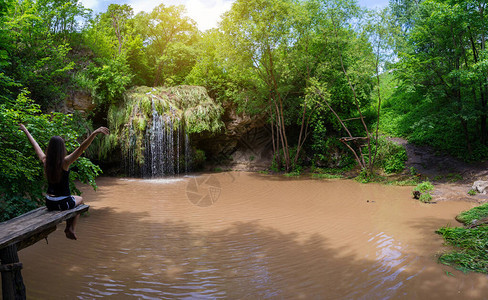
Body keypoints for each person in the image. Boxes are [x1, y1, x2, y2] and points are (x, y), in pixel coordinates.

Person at [20, 124, 109, 240]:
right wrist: (94, 133)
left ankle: (69, 227)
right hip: (62, 203)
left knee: (73, 198)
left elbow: (35, 145)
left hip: (49, 201)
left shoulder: (45, 160)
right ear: (62, 149)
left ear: (50, 149)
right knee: (80, 199)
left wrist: (26, 130)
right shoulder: (65, 162)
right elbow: (82, 148)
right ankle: (70, 228)